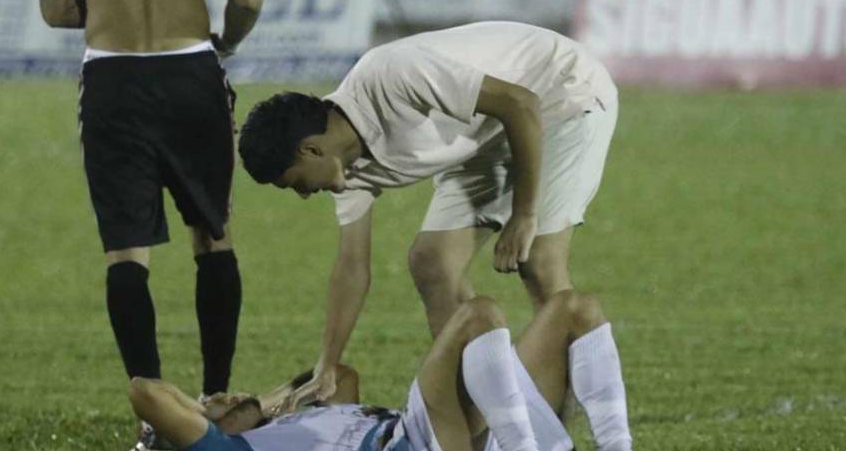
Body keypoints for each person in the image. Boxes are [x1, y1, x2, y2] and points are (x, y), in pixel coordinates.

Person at [38, 0, 264, 451]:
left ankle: (157, 418)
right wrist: (224, 41)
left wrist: (107, 7)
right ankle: (216, 399)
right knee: (213, 236)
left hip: (112, 78)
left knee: (125, 254)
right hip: (189, 71)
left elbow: (54, 7)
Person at [237, 22, 618, 408]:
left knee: (539, 260)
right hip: (487, 133)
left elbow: (519, 102)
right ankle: (488, 421)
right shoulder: (348, 170)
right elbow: (352, 266)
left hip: (560, 94)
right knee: (432, 262)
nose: (304, 194)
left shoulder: (391, 76)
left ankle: (570, 434)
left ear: (310, 150)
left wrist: (524, 215)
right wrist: (327, 365)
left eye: (296, 183)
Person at [131, 290, 675, 451]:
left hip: (469, 448)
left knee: (575, 309)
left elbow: (343, 378)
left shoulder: (277, 432)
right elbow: (145, 393)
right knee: (477, 316)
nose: (221, 395)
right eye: (213, 403)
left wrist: (272, 400)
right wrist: (227, 415)